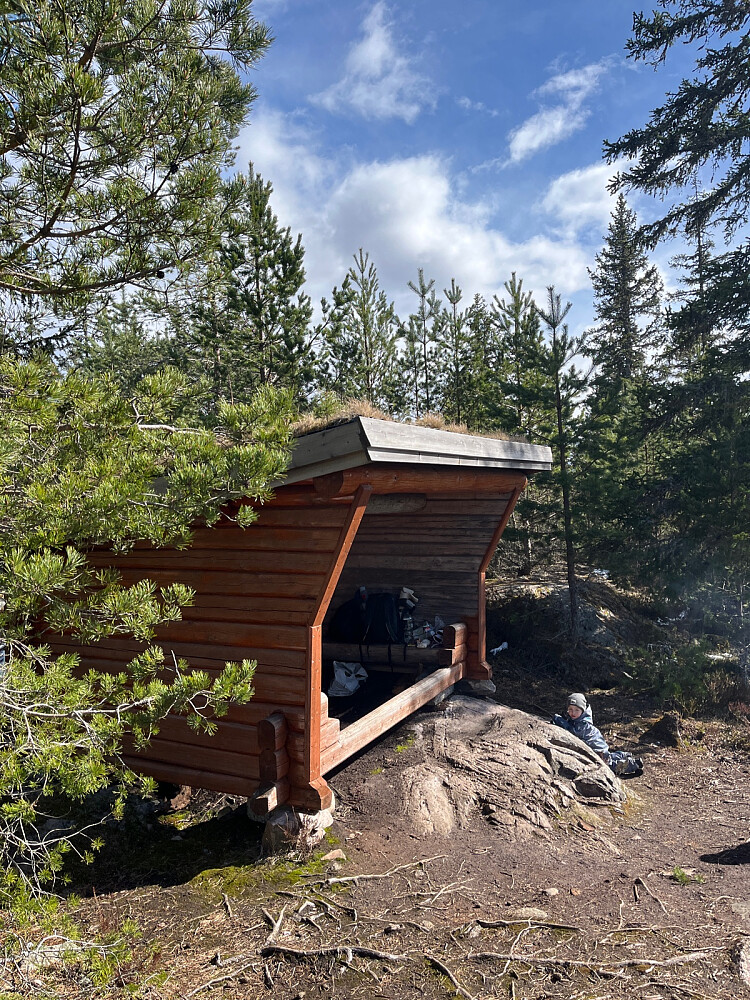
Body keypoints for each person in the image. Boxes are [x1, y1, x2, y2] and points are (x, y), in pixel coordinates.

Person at [553, 693, 644, 776]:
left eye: (577, 710)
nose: (573, 713)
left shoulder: (583, 724)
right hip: (600, 746)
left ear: (583, 710)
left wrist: (560, 720)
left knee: (609, 765)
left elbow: (573, 731)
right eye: (570, 709)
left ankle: (633, 764)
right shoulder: (578, 719)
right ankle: (624, 755)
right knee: (609, 756)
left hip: (597, 750)